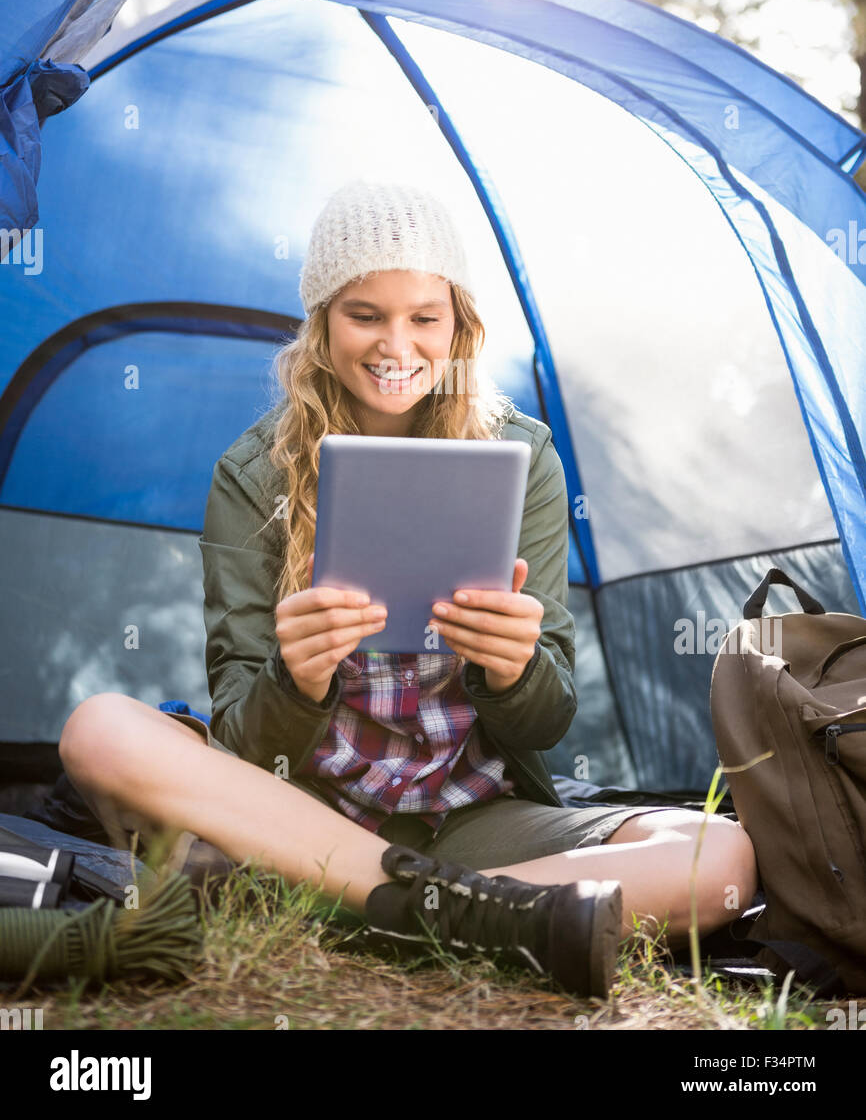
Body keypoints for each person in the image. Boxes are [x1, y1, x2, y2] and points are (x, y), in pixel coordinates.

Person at [59, 180, 758, 1000]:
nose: (398, 345)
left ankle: (374, 905)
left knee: (725, 857)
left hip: (469, 822)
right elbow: (248, 741)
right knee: (99, 729)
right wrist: (298, 677)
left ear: (458, 324)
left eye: (425, 317)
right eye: (366, 314)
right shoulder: (252, 476)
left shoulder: (521, 458)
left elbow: (549, 718)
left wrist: (514, 666)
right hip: (300, 815)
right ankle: (484, 915)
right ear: (322, 323)